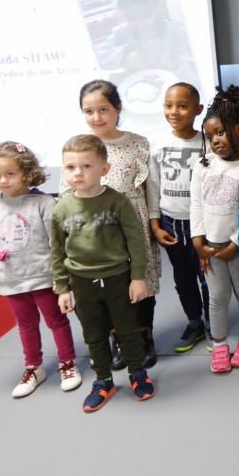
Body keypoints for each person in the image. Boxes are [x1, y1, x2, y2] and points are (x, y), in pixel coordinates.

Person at [51, 135, 154, 413]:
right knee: (93, 334)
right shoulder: (61, 208)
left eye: (86, 166)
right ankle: (104, 381)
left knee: (127, 331)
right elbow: (57, 251)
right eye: (71, 167)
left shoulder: (117, 202)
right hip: (82, 283)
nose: (78, 173)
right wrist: (62, 288)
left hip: (118, 279)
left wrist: (137, 277)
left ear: (104, 169)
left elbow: (136, 241)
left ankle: (137, 374)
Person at [0, 142, 81, 398]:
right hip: (11, 282)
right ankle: (34, 367)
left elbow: (58, 243)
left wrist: (62, 278)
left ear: (26, 172)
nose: (3, 180)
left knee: (56, 321)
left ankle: (68, 363)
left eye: (10, 174)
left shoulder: (44, 203)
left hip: (45, 278)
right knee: (26, 326)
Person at [77, 80, 161, 368]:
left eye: (103, 109)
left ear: (118, 109)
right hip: (99, 230)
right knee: (110, 285)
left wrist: (153, 221)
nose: (96, 117)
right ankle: (118, 338)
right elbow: (68, 192)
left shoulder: (137, 143)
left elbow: (150, 188)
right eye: (89, 111)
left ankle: (143, 336)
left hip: (134, 226)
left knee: (141, 281)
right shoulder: (80, 147)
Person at [191, 86, 239, 374]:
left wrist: (236, 243)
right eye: (210, 136)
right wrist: (197, 240)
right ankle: (219, 344)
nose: (216, 140)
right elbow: (196, 203)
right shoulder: (203, 166)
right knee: (216, 296)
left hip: (237, 247)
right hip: (210, 245)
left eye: (221, 132)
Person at [147, 82, 211, 354]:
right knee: (183, 278)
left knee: (207, 276)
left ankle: (213, 325)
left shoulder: (207, 142)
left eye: (183, 106)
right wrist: (155, 223)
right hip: (171, 223)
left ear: (198, 109)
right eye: (168, 105)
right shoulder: (157, 143)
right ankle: (194, 322)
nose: (174, 111)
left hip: (202, 224)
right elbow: (152, 185)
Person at [101, 0, 200, 89]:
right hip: (141, 93)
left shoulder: (174, 30)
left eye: (145, 15)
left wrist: (184, 61)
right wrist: (125, 55)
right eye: (130, 18)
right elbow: (99, 56)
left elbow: (187, 51)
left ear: (156, 7)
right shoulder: (121, 34)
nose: (139, 23)